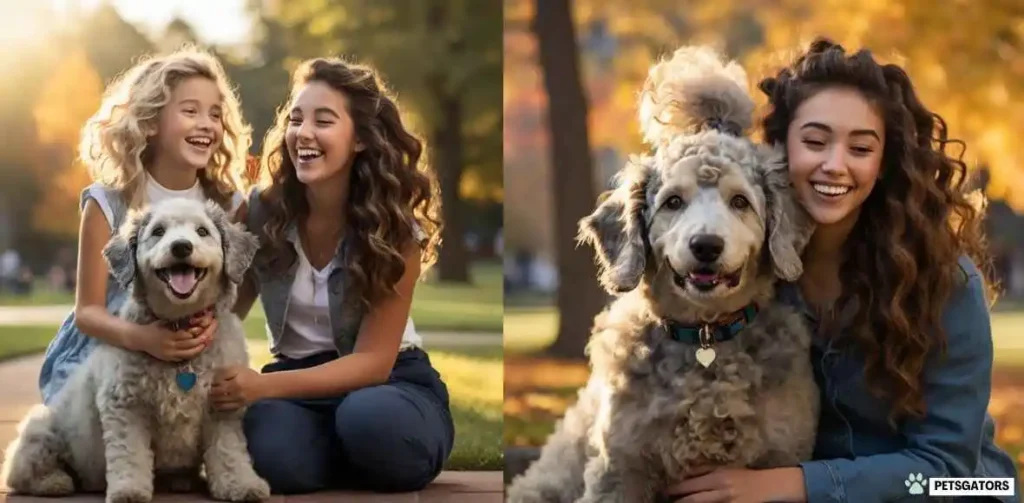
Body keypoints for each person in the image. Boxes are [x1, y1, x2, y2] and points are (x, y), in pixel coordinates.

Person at [667, 38, 1019, 502]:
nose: (835, 165)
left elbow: (949, 472)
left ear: (883, 162)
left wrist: (794, 483)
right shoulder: (748, 272)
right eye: (815, 141)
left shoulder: (946, 283)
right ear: (779, 149)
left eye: (860, 148)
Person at [211, 57, 453, 494]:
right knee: (270, 456)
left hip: (391, 383)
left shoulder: (393, 230)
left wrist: (260, 385)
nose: (303, 133)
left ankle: (375, 444)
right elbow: (225, 306)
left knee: (369, 419)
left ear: (360, 138)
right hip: (296, 385)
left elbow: (373, 364)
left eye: (323, 121)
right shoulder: (261, 214)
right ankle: (344, 453)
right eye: (296, 119)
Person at [38, 47, 250, 404]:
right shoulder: (108, 203)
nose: (207, 124)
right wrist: (147, 339)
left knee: (225, 423)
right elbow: (88, 312)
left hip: (192, 358)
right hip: (108, 348)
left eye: (215, 114)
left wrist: (212, 325)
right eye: (190, 111)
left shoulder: (229, 206)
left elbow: (232, 291)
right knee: (95, 439)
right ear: (150, 123)